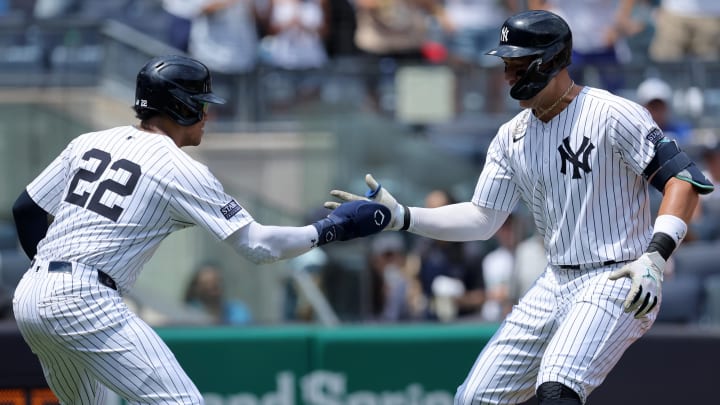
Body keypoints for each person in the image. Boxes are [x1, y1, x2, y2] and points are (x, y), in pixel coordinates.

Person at [325, 10, 713, 404]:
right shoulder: (511, 136)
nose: (509, 74)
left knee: (557, 386)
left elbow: (684, 181)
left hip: (619, 276)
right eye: (506, 63)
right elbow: (482, 218)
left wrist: (656, 256)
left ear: (551, 60)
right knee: (474, 398)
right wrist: (402, 216)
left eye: (518, 63)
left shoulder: (613, 113)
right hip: (555, 279)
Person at [10, 54, 390, 404]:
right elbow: (258, 246)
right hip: (84, 298)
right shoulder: (179, 167)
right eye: (202, 104)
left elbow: (26, 209)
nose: (207, 114)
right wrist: (332, 228)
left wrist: (50, 280)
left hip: (31, 295)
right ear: (181, 106)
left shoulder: (90, 141)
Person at [413, 189, 486, 321]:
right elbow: (416, 284)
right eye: (428, 212)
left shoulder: (470, 250)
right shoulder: (423, 248)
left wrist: (459, 300)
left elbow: (482, 296)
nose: (431, 218)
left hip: (464, 326)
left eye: (437, 211)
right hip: (429, 324)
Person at [183, 261, 253, 325]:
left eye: (216, 282)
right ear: (196, 288)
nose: (212, 287)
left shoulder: (237, 311)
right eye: (206, 283)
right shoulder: (187, 314)